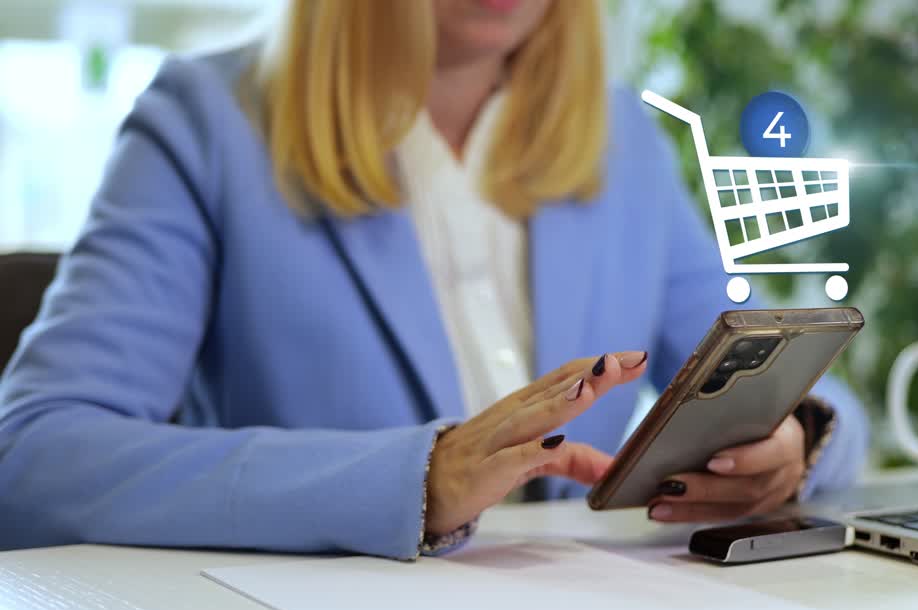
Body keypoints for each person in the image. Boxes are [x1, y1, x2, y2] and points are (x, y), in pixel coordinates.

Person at [0, 0, 868, 559]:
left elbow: (797, 371)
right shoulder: (204, 122)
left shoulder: (622, 141)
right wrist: (414, 481)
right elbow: (33, 457)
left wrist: (789, 438)